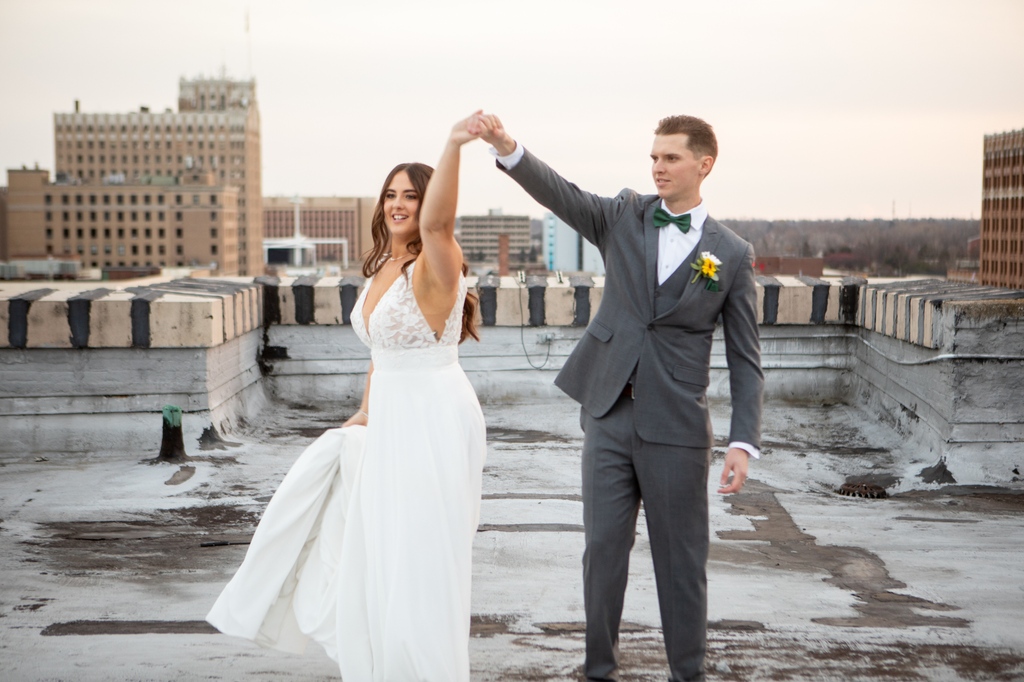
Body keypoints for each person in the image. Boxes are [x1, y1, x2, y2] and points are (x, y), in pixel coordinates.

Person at [470, 113, 763, 682]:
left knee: (681, 565)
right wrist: (509, 149)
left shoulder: (730, 253)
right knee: (602, 552)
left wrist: (743, 441)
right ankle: (597, 670)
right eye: (653, 156)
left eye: (671, 157)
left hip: (677, 426)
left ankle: (688, 673)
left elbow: (746, 360)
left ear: (704, 165)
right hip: (607, 412)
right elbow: (563, 196)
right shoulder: (624, 215)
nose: (658, 167)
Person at [206, 115, 487, 681]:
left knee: (420, 557)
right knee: (379, 548)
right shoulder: (385, 263)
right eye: (390, 194)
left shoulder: (439, 259)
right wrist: (365, 412)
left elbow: (439, 226)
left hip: (433, 415)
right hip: (393, 414)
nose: (397, 204)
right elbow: (381, 352)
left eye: (412, 195)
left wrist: (455, 144)